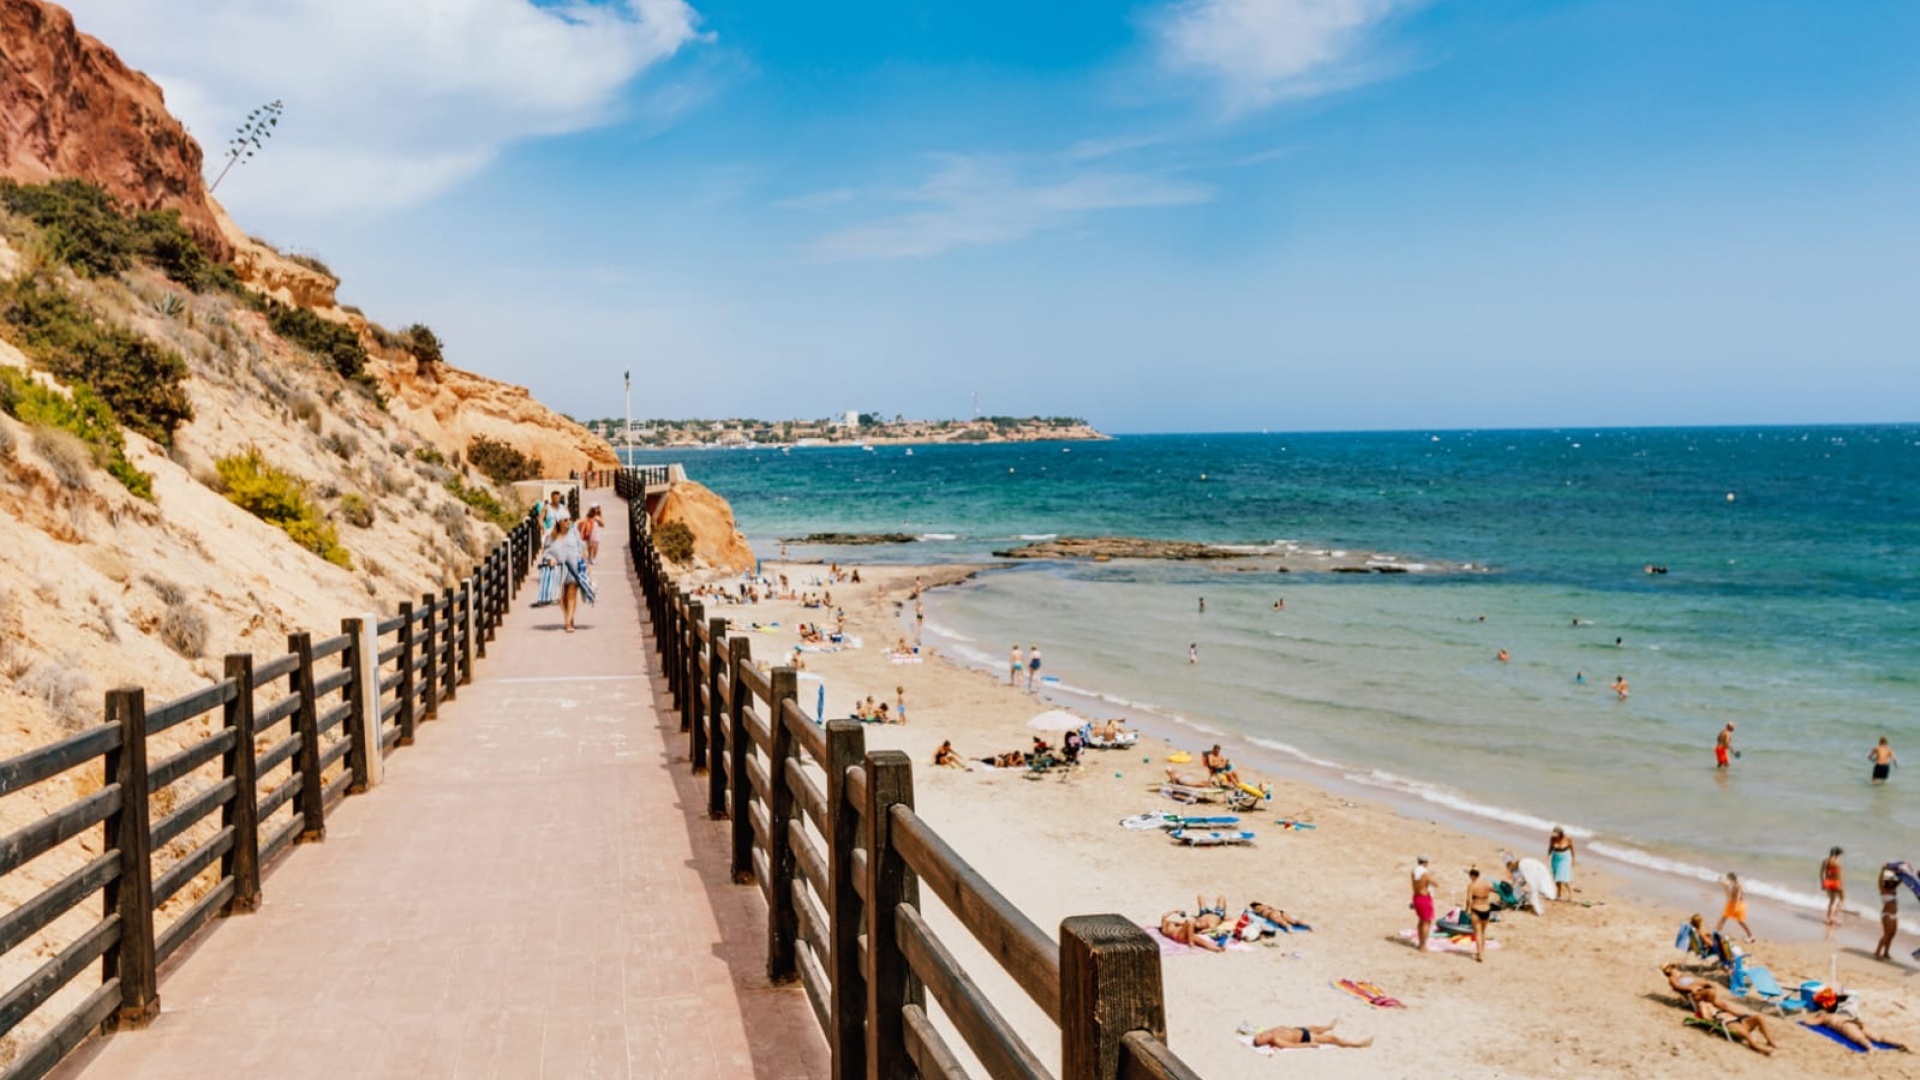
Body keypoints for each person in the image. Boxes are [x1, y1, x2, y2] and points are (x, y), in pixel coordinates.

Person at [1805, 986, 1907, 1051]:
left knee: (1858, 1038)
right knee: (1878, 1037)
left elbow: (1812, 1023)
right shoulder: (1840, 1012)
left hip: (1845, 1025)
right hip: (1855, 1021)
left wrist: (1805, 1019)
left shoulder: (1824, 1016)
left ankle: (1871, 1048)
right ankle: (1900, 1043)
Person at [1688, 985, 1778, 1055]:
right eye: (1712, 995)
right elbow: (1705, 1017)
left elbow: (1733, 1011)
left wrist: (1743, 1015)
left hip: (1737, 1020)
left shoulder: (1717, 1003)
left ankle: (1769, 1040)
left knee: (1759, 1017)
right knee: (1744, 1032)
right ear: (1706, 995)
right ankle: (1754, 1045)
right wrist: (1715, 1020)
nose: (1714, 996)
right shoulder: (1704, 1004)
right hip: (1728, 1022)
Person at [539, 517, 590, 633]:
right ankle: (568, 616)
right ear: (559, 522)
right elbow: (545, 553)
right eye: (565, 520)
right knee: (561, 596)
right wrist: (550, 559)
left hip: (574, 568)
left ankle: (568, 622)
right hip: (558, 569)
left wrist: (586, 564)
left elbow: (582, 549)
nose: (568, 522)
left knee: (571, 593)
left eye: (569, 520)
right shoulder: (551, 537)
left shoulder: (574, 533)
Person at [1247, 1020, 1371, 1051]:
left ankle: (1329, 1027)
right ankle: (1359, 1044)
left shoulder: (1269, 1032)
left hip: (1300, 1030)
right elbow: (1293, 1046)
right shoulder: (1277, 1040)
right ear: (1266, 1043)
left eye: (1260, 1035)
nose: (1262, 1035)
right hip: (1305, 1037)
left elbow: (1250, 1031)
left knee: (1316, 1027)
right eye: (1262, 1039)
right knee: (1333, 1039)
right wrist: (1310, 1044)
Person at [1466, 867, 1494, 963]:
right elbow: (1492, 890)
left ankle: (1480, 954)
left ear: (1472, 875)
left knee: (1477, 933)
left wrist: (1467, 910)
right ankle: (1482, 952)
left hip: (1476, 909)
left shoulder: (1471, 885)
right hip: (1486, 909)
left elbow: (1469, 900)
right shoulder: (1486, 883)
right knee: (1482, 932)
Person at [1158, 910, 1224, 952]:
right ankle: (1191, 943)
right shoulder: (1165, 927)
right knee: (1191, 922)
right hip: (1178, 936)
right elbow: (1164, 916)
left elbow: (1184, 924)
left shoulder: (1173, 923)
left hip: (1184, 934)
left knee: (1200, 940)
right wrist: (1175, 910)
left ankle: (1215, 948)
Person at [1716, 872, 1754, 941]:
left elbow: (1737, 897)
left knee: (1740, 921)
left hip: (1737, 904)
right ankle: (1717, 932)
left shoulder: (1737, 886)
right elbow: (1721, 883)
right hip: (1733, 904)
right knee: (1725, 918)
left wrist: (1735, 907)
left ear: (1730, 879)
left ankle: (1751, 936)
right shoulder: (1732, 884)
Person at [1410, 855, 1436, 951]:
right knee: (1426, 921)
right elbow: (1432, 882)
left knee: (1421, 920)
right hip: (1424, 898)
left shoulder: (1414, 871)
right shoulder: (1425, 873)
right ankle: (1423, 945)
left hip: (1416, 897)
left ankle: (1420, 943)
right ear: (1425, 862)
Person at [1877, 864, 1901, 961]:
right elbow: (1879, 881)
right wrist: (1882, 870)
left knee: (1892, 934)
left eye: (1893, 879)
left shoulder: (1893, 889)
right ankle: (1877, 952)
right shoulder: (1884, 889)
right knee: (1887, 934)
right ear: (1886, 881)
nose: (1892, 881)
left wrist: (1901, 873)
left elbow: (1901, 880)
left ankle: (1886, 953)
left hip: (1894, 915)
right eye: (1890, 880)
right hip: (1886, 914)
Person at [1548, 827, 1576, 902]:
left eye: (1556, 834)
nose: (1554, 835)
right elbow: (1550, 848)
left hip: (1565, 858)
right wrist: (1548, 857)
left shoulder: (1568, 838)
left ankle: (1571, 895)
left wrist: (1573, 859)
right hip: (1555, 858)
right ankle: (1559, 894)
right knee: (1556, 877)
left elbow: (1572, 849)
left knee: (1564, 877)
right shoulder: (1552, 838)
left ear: (1560, 834)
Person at [1823, 847, 1846, 929]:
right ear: (1838, 854)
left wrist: (1823, 883)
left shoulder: (1825, 861)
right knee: (1842, 898)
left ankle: (1828, 918)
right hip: (1836, 882)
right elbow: (1838, 875)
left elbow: (1822, 873)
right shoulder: (1837, 862)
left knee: (1832, 900)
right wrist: (1841, 885)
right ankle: (1834, 917)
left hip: (1828, 882)